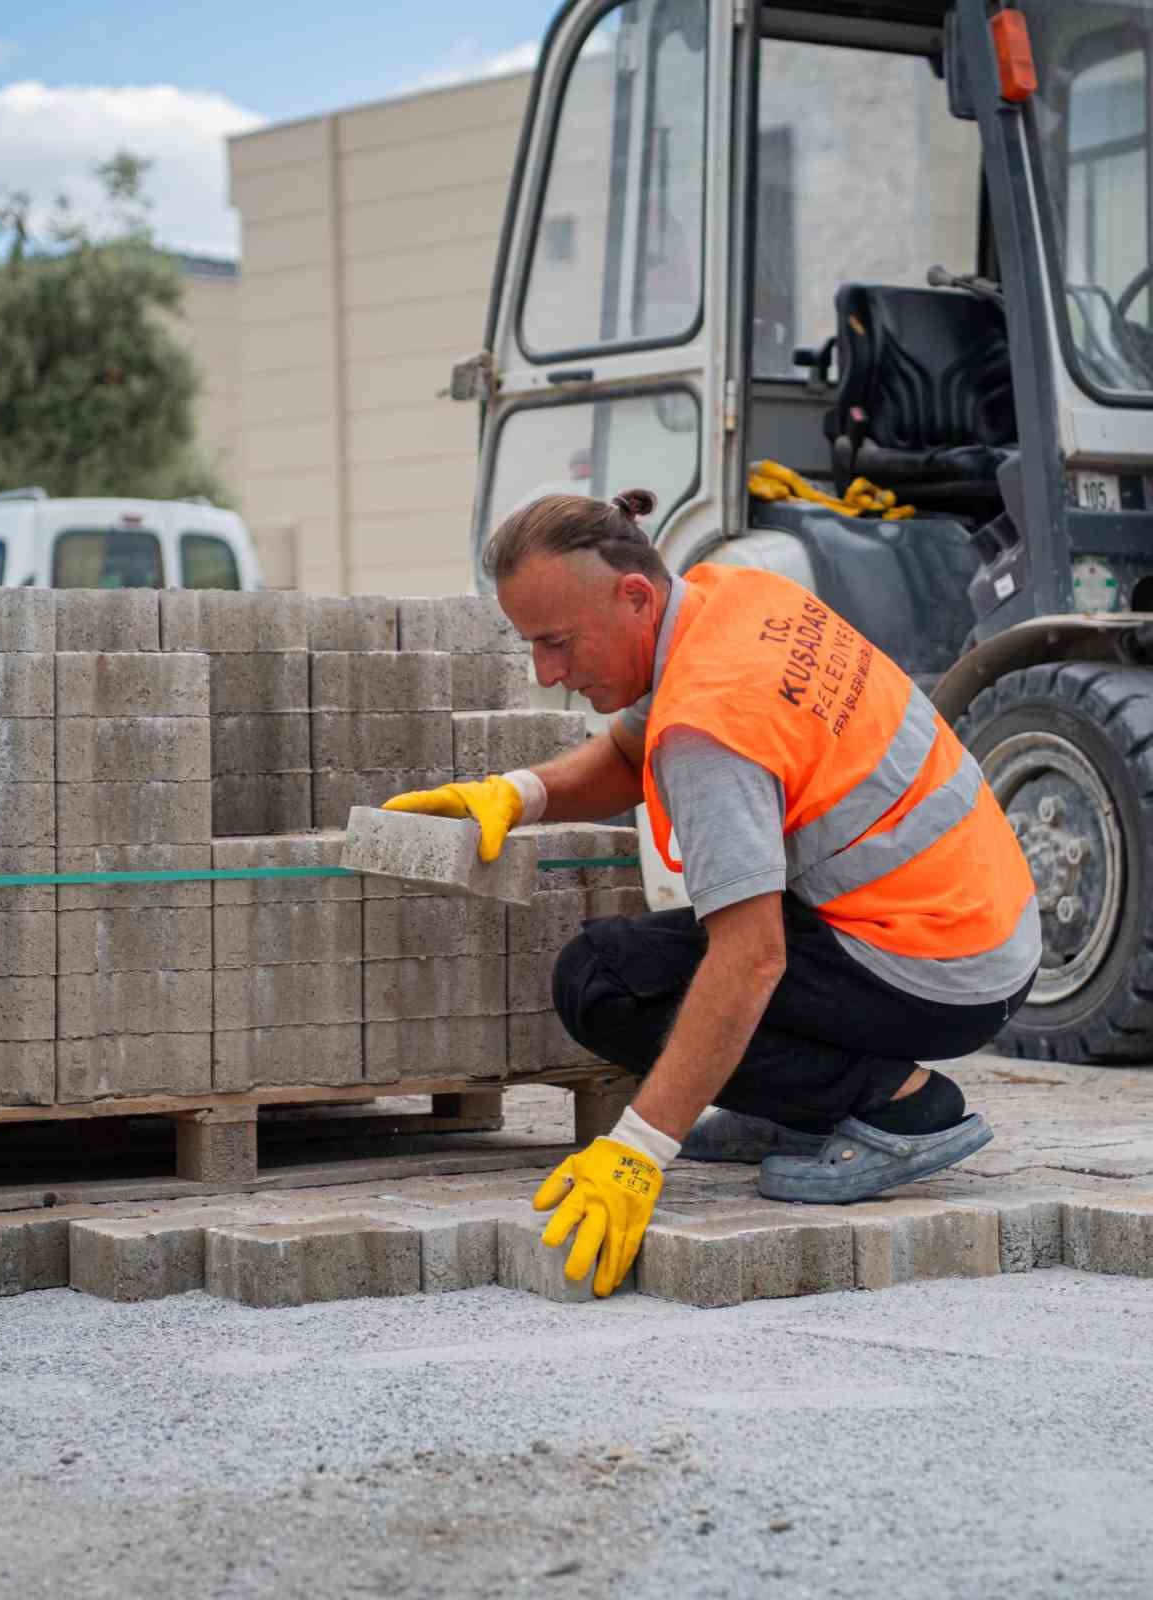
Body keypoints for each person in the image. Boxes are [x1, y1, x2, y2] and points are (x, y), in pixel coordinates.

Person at [385, 488, 1041, 1299]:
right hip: (982, 925)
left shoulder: (710, 729)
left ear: (633, 597)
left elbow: (751, 957)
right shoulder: (732, 599)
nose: (546, 673)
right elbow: (629, 750)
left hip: (935, 969)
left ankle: (901, 1108)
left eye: (556, 643)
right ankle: (803, 1105)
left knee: (603, 981)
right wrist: (515, 794)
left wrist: (638, 1149)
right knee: (654, 955)